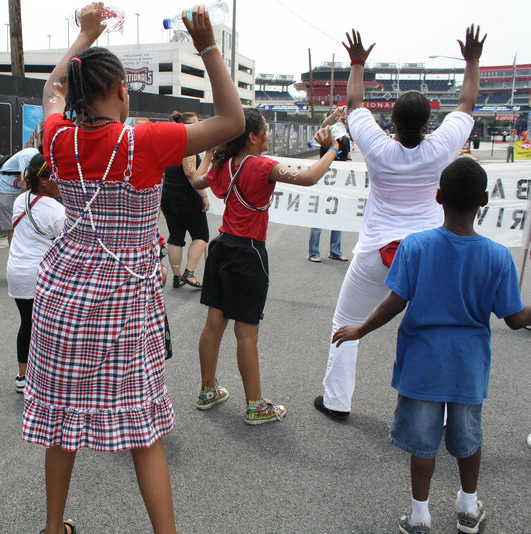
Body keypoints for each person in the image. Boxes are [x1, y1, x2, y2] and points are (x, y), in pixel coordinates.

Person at [24, 4, 244, 534]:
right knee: (143, 430)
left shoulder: (56, 137)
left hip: (62, 294)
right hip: (124, 301)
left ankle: (55, 527)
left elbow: (50, 88)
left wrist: (85, 34)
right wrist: (208, 48)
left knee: (62, 421)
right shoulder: (145, 142)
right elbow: (233, 121)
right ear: (123, 91)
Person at [332, 157, 531, 534]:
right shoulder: (498, 256)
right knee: (468, 438)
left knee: (423, 444)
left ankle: (420, 514)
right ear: (484, 200)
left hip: (422, 364)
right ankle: (468, 508)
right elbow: (516, 318)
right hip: (467, 367)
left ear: (438, 196)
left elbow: (394, 303)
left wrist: (360, 329)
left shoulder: (415, 246)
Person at [314, 26, 485, 420]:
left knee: (347, 322)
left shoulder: (376, 145)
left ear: (390, 118)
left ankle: (337, 401)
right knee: (434, 330)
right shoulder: (443, 145)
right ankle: (438, 416)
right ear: (430, 121)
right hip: (429, 253)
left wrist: (358, 62)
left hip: (377, 250)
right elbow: (468, 102)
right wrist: (472, 59)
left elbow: (354, 101)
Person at [193, 107, 341, 425]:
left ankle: (207, 391)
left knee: (213, 325)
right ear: (252, 137)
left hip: (221, 248)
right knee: (246, 334)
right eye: (265, 131)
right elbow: (311, 177)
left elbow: (195, 180)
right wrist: (332, 150)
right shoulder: (263, 166)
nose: (269, 136)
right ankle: (255, 406)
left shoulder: (222, 163)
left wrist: (209, 152)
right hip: (248, 253)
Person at [6, 152, 65, 394]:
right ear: (43, 180)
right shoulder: (56, 211)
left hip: (17, 272)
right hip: (40, 275)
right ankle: (48, 377)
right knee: (50, 327)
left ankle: (23, 376)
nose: (62, 182)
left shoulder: (21, 200)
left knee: (27, 324)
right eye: (58, 177)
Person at [161, 110, 211, 288]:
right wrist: (204, 195)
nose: (198, 126)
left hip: (168, 195)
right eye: (194, 123)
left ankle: (177, 277)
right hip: (186, 195)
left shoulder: (169, 141)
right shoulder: (187, 142)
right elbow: (190, 172)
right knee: (201, 235)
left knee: (175, 237)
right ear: (184, 126)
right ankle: (189, 273)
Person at [308, 107, 350, 263]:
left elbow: (348, 158)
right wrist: (335, 114)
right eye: (342, 119)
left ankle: (335, 250)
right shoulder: (326, 137)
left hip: (338, 182)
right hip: (323, 180)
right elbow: (324, 125)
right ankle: (313, 252)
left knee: (338, 216)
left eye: (346, 119)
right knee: (319, 216)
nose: (343, 121)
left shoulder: (345, 140)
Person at [0, 147, 40, 247]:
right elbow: (23, 183)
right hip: (4, 188)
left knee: (24, 224)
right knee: (13, 226)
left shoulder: (41, 160)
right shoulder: (28, 155)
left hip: (17, 189)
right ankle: (14, 259)